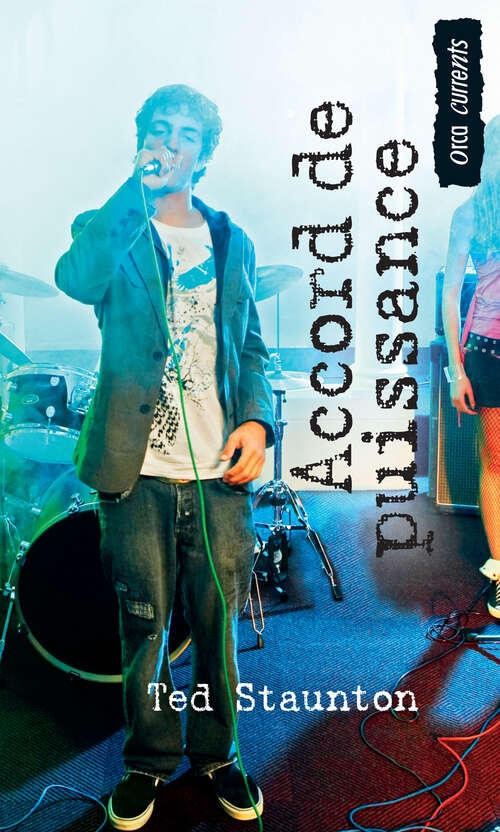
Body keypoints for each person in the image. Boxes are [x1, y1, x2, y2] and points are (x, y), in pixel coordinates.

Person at [55, 83, 275, 829]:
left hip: (218, 475)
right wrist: (135, 189)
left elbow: (250, 347)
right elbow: (77, 278)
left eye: (185, 135)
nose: (170, 143)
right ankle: (148, 760)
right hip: (135, 469)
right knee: (144, 624)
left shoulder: (233, 242)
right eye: (158, 129)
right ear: (141, 138)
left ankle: (218, 754)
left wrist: (259, 423)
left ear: (204, 156)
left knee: (216, 627)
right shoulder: (110, 228)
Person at [442, 114, 500, 619]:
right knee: (497, 463)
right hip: (489, 350)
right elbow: (449, 295)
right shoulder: (470, 214)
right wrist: (456, 370)